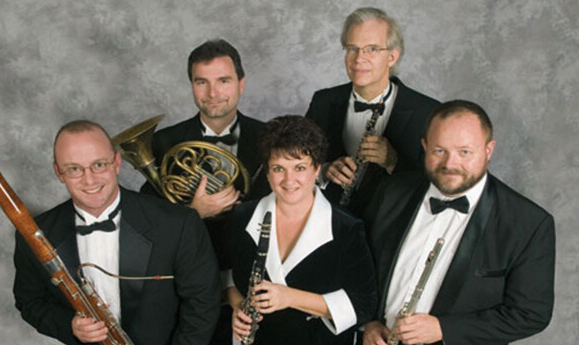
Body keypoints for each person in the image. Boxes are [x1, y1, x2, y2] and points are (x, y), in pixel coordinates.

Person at [362, 100, 555, 345]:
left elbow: (531, 314)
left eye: (465, 152)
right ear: (425, 146)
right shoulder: (391, 192)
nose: (450, 164)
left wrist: (444, 329)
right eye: (439, 151)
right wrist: (367, 322)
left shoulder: (528, 224)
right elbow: (356, 269)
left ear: (488, 150)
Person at [13, 120, 221, 345]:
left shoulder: (177, 224)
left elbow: (203, 303)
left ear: (117, 163)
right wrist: (69, 325)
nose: (89, 179)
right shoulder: (37, 233)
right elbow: (30, 301)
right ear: (59, 172)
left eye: (99, 165)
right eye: (74, 169)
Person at [227, 115, 376, 345]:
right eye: (278, 168)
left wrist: (290, 297)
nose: (289, 180)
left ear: (317, 169)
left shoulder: (346, 228)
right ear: (267, 172)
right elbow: (228, 276)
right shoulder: (243, 215)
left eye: (299, 168)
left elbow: (363, 304)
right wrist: (238, 306)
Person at [305, 7, 439, 214]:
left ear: (392, 57)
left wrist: (393, 161)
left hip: (391, 229)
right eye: (352, 48)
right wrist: (323, 171)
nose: (359, 58)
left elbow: (438, 184)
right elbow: (297, 159)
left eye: (372, 49)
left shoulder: (428, 112)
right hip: (329, 223)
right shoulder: (322, 101)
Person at [142, 38, 268, 217]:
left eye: (223, 81)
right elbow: (150, 215)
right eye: (202, 82)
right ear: (192, 86)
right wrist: (193, 212)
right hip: (193, 244)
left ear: (241, 85)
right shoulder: (163, 142)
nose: (213, 93)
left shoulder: (271, 137)